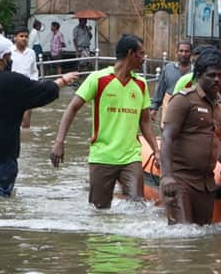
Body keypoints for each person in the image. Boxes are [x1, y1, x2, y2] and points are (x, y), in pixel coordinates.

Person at [0, 35, 78, 197]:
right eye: (9, 56)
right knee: (0, 197)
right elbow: (41, 92)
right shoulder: (14, 81)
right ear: (4, 58)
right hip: (2, 148)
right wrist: (62, 81)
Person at [50, 34, 159, 209]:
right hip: (102, 156)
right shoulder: (98, 79)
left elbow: (145, 122)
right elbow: (72, 108)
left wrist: (156, 151)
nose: (144, 58)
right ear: (131, 54)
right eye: (142, 53)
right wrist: (59, 142)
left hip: (131, 157)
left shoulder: (141, 84)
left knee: (137, 207)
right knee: (99, 210)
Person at [159, 49, 221, 225]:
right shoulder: (183, 100)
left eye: (220, 75)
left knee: (201, 238)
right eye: (211, 75)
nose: (217, 79)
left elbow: (213, 137)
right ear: (199, 75)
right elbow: (167, 138)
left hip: (206, 183)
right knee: (183, 237)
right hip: (181, 180)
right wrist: (167, 176)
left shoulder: (219, 104)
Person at [151, 40, 192, 121]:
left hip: (189, 108)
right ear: (177, 52)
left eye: (187, 51)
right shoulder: (168, 68)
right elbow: (160, 89)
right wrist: (154, 108)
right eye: (181, 51)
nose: (183, 54)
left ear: (191, 53)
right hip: (169, 106)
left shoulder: (195, 71)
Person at [11, 29, 40, 128]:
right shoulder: (9, 52)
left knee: (26, 120)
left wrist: (34, 84)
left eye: (26, 36)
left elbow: (34, 71)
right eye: (21, 36)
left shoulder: (31, 52)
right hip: (12, 88)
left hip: (27, 88)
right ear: (15, 38)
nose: (24, 38)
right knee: (12, 118)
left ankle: (26, 140)